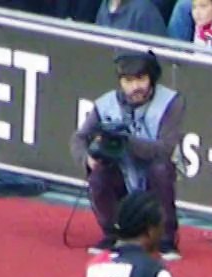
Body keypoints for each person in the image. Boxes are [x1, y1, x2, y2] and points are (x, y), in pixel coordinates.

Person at [70, 50, 185, 259]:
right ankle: (112, 233)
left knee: (160, 169)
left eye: (141, 79)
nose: (135, 87)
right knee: (98, 174)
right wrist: (87, 158)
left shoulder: (171, 102)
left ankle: (166, 239)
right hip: (121, 171)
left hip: (154, 170)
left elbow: (165, 148)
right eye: (128, 81)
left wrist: (127, 141)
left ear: (151, 78)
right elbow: (79, 138)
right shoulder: (105, 104)